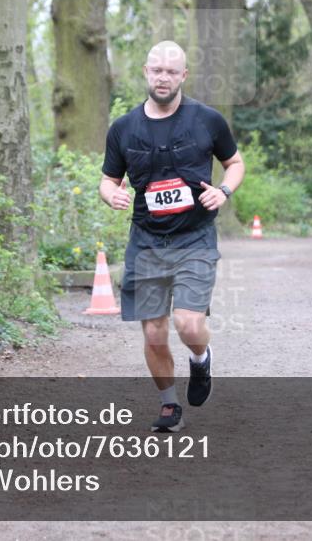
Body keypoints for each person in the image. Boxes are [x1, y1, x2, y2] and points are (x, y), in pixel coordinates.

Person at [99, 41, 245, 433]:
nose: (163, 78)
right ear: (146, 72)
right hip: (146, 241)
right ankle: (169, 404)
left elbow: (234, 163)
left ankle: (200, 360)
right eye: (157, 70)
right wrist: (111, 194)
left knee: (189, 325)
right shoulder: (123, 128)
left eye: (171, 71)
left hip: (194, 237)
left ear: (183, 76)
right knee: (153, 331)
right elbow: (108, 179)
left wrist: (223, 191)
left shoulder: (207, 120)